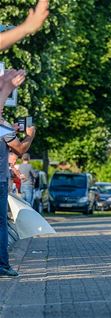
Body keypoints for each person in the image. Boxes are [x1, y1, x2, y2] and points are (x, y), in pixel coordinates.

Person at [0, 71, 36, 278]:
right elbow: (20, 150)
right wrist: (29, 136)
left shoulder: (4, 128)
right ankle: (3, 264)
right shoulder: (3, 129)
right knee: (1, 224)